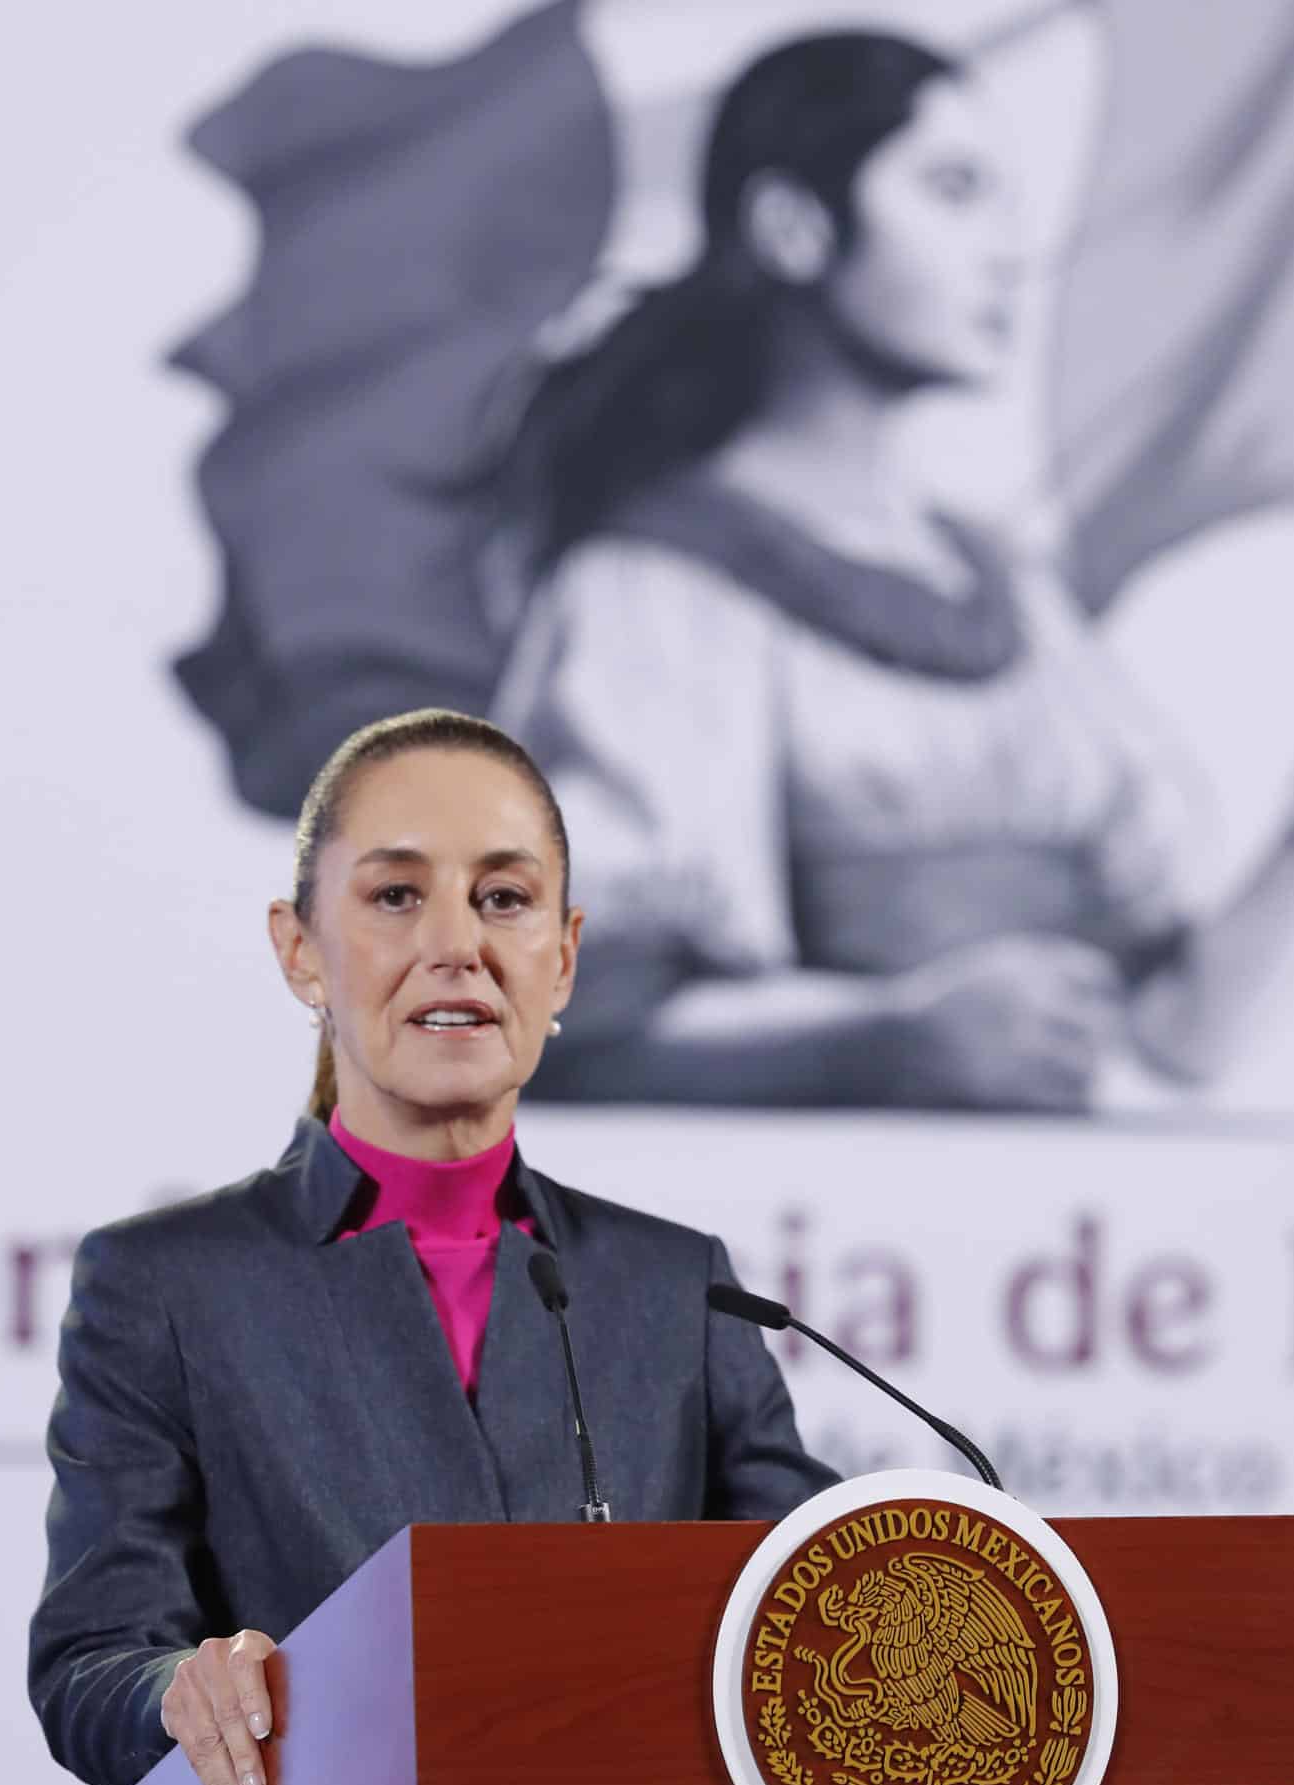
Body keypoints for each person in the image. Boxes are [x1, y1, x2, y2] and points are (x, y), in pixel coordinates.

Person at [27, 708, 838, 1785]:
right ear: (298, 948)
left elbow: (822, 1606)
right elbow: (93, 1659)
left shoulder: (678, 1286)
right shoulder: (168, 1286)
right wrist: (183, 1689)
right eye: (396, 895)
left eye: (502, 898)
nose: (456, 943)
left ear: (561, 958)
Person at [490, 29, 1294, 1111]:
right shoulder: (655, 590)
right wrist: (879, 1037)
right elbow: (569, 1014)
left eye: (1005, 201)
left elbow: (1170, 1038)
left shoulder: (1010, 597)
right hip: (803, 1249)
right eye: (951, 190)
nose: (1005, 252)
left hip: (1064, 1254)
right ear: (793, 226)